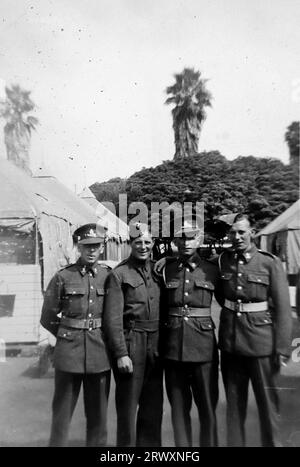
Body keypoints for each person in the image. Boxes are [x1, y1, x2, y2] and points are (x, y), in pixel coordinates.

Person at [215, 213, 292, 447]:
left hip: (261, 345)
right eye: (233, 233)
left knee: (268, 405)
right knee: (234, 407)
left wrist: (282, 347)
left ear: (252, 231)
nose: (237, 237)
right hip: (231, 345)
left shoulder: (269, 262)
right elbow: (221, 295)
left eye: (241, 232)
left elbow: (282, 308)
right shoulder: (223, 261)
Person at [40, 223, 111, 447]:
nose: (91, 250)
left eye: (96, 246)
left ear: (102, 248)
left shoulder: (109, 277)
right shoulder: (63, 277)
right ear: (78, 247)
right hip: (68, 353)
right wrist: (67, 332)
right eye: (86, 246)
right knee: (62, 413)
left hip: (99, 352)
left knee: (98, 415)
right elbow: (48, 315)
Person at [159, 221, 219, 447]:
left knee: (207, 409)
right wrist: (166, 260)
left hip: (204, 350)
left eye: (191, 237)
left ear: (200, 240)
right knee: (178, 410)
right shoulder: (166, 269)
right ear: (175, 242)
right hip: (174, 348)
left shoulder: (212, 270)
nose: (186, 242)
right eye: (181, 238)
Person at [103, 222, 163, 447]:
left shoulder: (159, 270)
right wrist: (121, 353)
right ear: (130, 244)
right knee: (128, 408)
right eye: (138, 242)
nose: (143, 246)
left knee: (153, 407)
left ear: (153, 243)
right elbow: (113, 319)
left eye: (147, 242)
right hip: (132, 343)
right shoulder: (119, 274)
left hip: (156, 345)